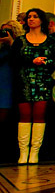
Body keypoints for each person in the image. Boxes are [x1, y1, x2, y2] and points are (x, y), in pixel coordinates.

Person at [12, 8, 55, 164]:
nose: (31, 19)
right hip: (24, 81)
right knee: (24, 116)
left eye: (35, 17)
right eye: (29, 17)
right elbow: (14, 60)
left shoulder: (51, 41)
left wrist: (44, 61)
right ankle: (23, 152)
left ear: (42, 20)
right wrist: (31, 61)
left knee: (39, 116)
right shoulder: (20, 40)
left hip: (43, 81)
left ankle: (35, 152)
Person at [0, 20, 21, 161]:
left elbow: (20, 58)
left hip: (10, 84)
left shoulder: (19, 44)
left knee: (6, 120)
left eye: (8, 31)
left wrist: (12, 42)